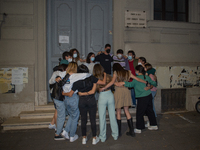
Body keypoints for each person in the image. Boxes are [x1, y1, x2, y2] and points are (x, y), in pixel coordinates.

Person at [62, 64, 106, 145]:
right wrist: (105, 75)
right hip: (91, 100)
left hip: (82, 101)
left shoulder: (76, 81)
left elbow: (71, 93)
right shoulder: (91, 78)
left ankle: (84, 138)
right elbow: (103, 82)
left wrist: (63, 93)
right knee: (93, 119)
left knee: (83, 120)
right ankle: (94, 138)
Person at [100, 63, 147, 137]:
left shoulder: (116, 72)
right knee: (126, 111)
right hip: (126, 91)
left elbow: (112, 82)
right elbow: (137, 78)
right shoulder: (128, 72)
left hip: (118, 92)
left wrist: (104, 88)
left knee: (118, 112)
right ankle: (132, 131)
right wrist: (145, 82)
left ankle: (118, 132)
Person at [49, 62, 91, 141]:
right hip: (68, 97)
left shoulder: (62, 74)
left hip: (64, 97)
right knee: (72, 116)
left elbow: (54, 75)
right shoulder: (74, 75)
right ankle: (66, 135)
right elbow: (87, 75)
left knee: (71, 115)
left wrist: (56, 77)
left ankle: (65, 131)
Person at [116, 65, 158, 134]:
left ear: (138, 71)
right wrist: (150, 86)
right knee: (150, 110)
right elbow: (154, 83)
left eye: (136, 71)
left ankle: (139, 128)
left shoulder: (136, 78)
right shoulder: (147, 77)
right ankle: (154, 125)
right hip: (148, 95)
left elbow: (130, 85)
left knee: (139, 113)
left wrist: (123, 83)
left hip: (142, 97)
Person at [83, 64, 118, 142]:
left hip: (102, 96)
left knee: (102, 118)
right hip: (110, 94)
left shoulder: (94, 78)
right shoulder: (108, 75)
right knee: (112, 116)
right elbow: (113, 83)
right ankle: (115, 135)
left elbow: (94, 89)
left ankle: (102, 137)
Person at [49, 64, 68, 131]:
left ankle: (53, 124)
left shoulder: (55, 73)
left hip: (55, 95)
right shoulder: (62, 73)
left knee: (58, 111)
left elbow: (50, 82)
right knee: (59, 112)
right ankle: (58, 128)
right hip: (58, 95)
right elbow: (51, 81)